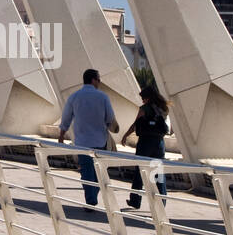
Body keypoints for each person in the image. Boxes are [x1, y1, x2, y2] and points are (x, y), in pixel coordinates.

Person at [58, 68, 119, 207]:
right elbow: (110, 118)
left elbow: (66, 117)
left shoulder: (74, 96)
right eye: (98, 79)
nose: (100, 82)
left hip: (82, 141)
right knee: (99, 170)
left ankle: (90, 197)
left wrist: (62, 135)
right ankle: (93, 193)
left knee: (86, 170)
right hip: (100, 140)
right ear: (93, 80)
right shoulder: (103, 97)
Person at [120, 83, 170, 211]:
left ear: (148, 97)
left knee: (140, 171)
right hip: (159, 143)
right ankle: (161, 203)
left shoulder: (145, 108)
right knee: (157, 172)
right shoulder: (163, 108)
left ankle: (135, 200)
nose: (142, 100)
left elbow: (136, 124)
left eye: (143, 98)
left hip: (145, 143)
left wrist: (125, 135)